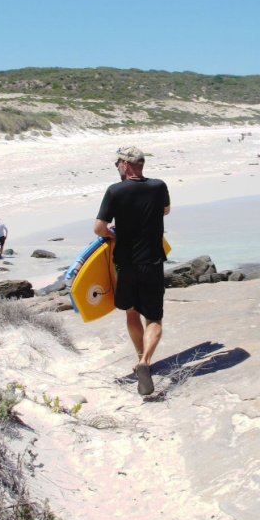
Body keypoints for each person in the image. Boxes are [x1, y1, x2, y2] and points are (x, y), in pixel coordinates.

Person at [94, 146, 170, 396]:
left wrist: (111, 232)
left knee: (131, 313)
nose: (117, 166)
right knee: (155, 319)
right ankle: (145, 361)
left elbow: (99, 228)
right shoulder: (159, 186)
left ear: (125, 165)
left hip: (126, 264)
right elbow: (165, 211)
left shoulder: (115, 191)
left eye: (118, 163)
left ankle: (141, 360)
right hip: (152, 263)